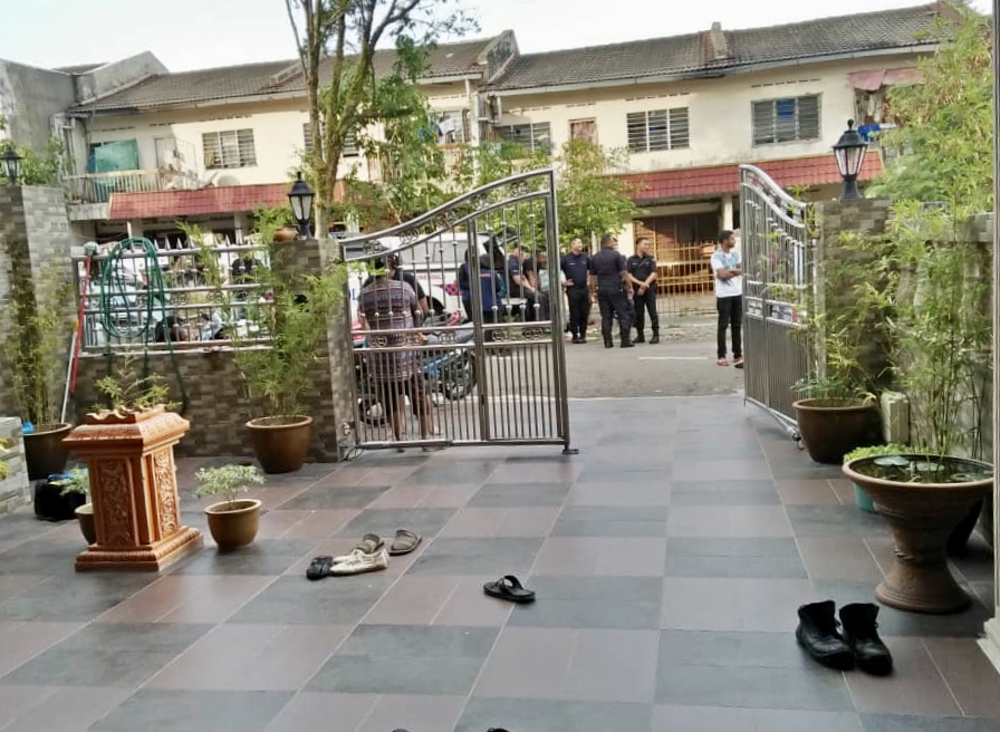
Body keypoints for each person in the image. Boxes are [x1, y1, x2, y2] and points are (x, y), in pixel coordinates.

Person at [357, 255, 431, 445]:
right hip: (407, 353)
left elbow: (363, 321)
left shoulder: (364, 294)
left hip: (382, 356)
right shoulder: (404, 288)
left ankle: (399, 440)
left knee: (390, 397)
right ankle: (425, 438)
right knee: (418, 395)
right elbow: (418, 311)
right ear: (390, 266)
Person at [588, 234, 633, 349]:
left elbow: (592, 277)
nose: (615, 244)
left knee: (606, 316)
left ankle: (608, 341)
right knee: (623, 314)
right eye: (613, 242)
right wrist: (629, 286)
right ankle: (625, 340)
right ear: (608, 243)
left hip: (602, 289)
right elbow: (624, 273)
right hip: (616, 288)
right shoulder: (616, 255)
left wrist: (593, 291)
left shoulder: (595, 257)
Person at [712, 229, 743, 368]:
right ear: (725, 241)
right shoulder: (716, 256)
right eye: (731, 239)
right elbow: (721, 275)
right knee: (723, 325)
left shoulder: (736, 255)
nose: (734, 241)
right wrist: (735, 272)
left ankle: (737, 354)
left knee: (737, 325)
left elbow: (742, 269)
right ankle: (721, 355)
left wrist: (731, 272)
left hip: (737, 292)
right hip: (724, 294)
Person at [627, 237, 660, 344]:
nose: (647, 246)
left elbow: (654, 273)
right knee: (638, 312)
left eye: (648, 244)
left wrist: (645, 285)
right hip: (637, 289)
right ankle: (640, 335)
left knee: (652, 312)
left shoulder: (650, 259)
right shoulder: (631, 260)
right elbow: (628, 275)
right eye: (645, 244)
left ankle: (656, 334)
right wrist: (640, 284)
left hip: (649, 289)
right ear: (638, 245)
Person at [561, 237, 591, 343]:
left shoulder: (585, 257)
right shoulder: (566, 259)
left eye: (581, 242)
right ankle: (575, 335)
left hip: (584, 288)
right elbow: (557, 271)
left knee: (584, 312)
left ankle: (583, 334)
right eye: (578, 243)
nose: (580, 244)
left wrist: (588, 281)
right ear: (572, 245)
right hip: (573, 289)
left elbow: (590, 271)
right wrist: (563, 282)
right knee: (575, 313)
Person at [507, 243, 539, 321]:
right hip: (514, 290)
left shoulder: (517, 262)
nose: (523, 253)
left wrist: (531, 288)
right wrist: (530, 288)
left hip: (520, 289)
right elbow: (517, 280)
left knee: (535, 296)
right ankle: (538, 321)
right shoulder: (512, 262)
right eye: (521, 250)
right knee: (538, 297)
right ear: (516, 250)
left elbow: (523, 278)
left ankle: (533, 322)